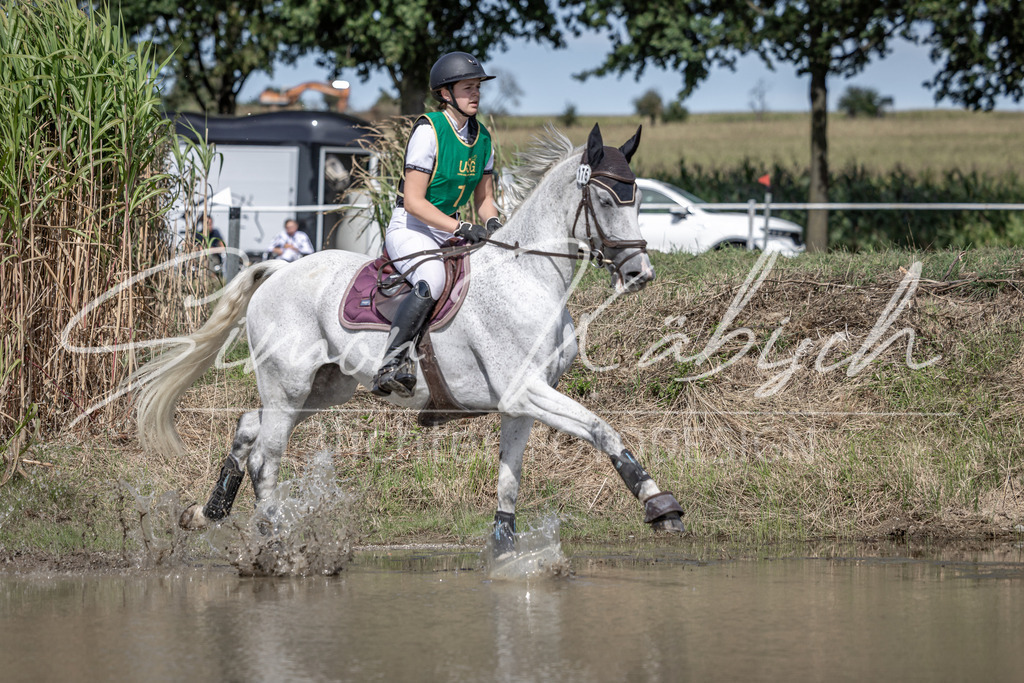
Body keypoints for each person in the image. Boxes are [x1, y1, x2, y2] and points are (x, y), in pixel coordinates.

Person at [371, 51, 503, 398]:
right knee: (432, 277)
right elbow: (414, 201)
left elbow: (484, 201)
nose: (475, 94)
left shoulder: (483, 139)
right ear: (445, 93)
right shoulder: (430, 130)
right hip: (411, 226)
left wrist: (493, 223)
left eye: (477, 88)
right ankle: (391, 362)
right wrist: (460, 229)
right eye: (467, 88)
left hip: (447, 228)